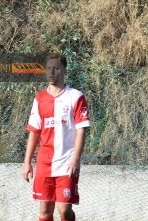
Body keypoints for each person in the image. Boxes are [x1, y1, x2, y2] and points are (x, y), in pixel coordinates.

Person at [22, 53, 91, 221]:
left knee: (64, 210)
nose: (51, 72)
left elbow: (81, 130)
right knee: (45, 211)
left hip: (67, 162)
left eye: (56, 68)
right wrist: (27, 162)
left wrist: (75, 159)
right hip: (44, 163)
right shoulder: (39, 99)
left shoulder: (75, 97)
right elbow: (34, 132)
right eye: (48, 68)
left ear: (64, 70)